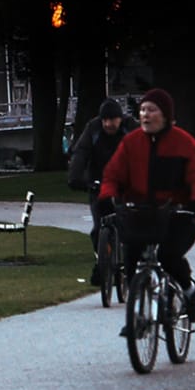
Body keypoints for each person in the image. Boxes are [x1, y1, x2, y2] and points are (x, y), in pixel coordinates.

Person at [100, 87, 195, 323]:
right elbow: (113, 174)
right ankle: (138, 309)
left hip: (178, 213)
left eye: (151, 110)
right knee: (130, 252)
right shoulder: (131, 143)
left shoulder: (184, 144)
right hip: (142, 212)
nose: (145, 115)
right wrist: (108, 197)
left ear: (166, 115)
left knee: (169, 256)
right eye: (142, 110)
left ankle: (188, 289)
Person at [68, 98, 129, 275]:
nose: (108, 124)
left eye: (113, 119)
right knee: (98, 227)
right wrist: (76, 178)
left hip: (124, 182)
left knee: (128, 223)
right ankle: (101, 260)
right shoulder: (92, 129)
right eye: (105, 120)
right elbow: (81, 153)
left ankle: (128, 259)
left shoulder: (129, 127)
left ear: (120, 118)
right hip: (99, 181)